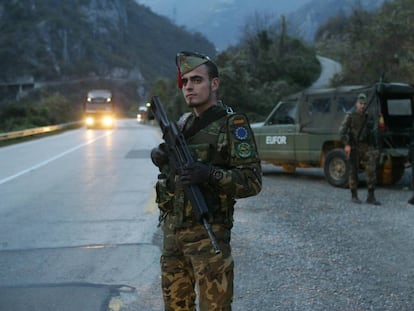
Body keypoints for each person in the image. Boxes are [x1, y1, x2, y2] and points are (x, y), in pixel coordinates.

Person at [151, 51, 262, 311]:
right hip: (173, 234)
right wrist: (160, 156)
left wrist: (209, 174)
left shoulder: (232, 125)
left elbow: (252, 181)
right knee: (176, 306)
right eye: (185, 82)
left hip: (208, 235)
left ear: (214, 84)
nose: (189, 87)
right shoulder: (182, 123)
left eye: (197, 80)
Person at [339, 93, 381, 205]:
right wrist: (347, 144)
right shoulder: (351, 116)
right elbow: (342, 132)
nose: (362, 106)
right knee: (353, 171)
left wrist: (376, 147)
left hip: (366, 147)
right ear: (356, 104)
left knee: (371, 170)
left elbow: (372, 133)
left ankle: (371, 196)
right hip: (354, 146)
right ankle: (354, 196)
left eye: (364, 104)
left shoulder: (368, 117)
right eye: (360, 103)